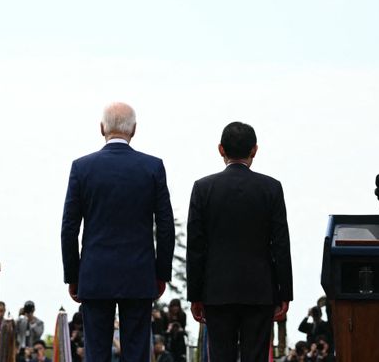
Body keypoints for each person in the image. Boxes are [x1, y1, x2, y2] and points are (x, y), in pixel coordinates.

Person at [61, 102, 175, 362]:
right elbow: (165, 226)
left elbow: (69, 228)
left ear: (102, 128)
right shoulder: (153, 167)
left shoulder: (82, 168)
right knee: (136, 352)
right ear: (134, 129)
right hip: (138, 272)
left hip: (95, 272)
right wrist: (161, 273)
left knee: (96, 352)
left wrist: (73, 274)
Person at [186, 121, 293, 362]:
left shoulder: (203, 188)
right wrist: (284, 291)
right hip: (259, 289)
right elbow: (280, 244)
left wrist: (195, 294)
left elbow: (196, 246)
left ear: (221, 149)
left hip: (217, 290)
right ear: (254, 150)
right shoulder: (271, 188)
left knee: (221, 356)